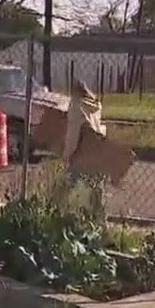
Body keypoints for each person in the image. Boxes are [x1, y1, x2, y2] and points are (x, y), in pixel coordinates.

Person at [54, 79, 109, 217]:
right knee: (96, 185)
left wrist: (68, 154)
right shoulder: (94, 105)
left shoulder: (76, 106)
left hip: (81, 151)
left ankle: (56, 209)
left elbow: (74, 132)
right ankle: (99, 215)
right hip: (96, 148)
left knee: (68, 183)